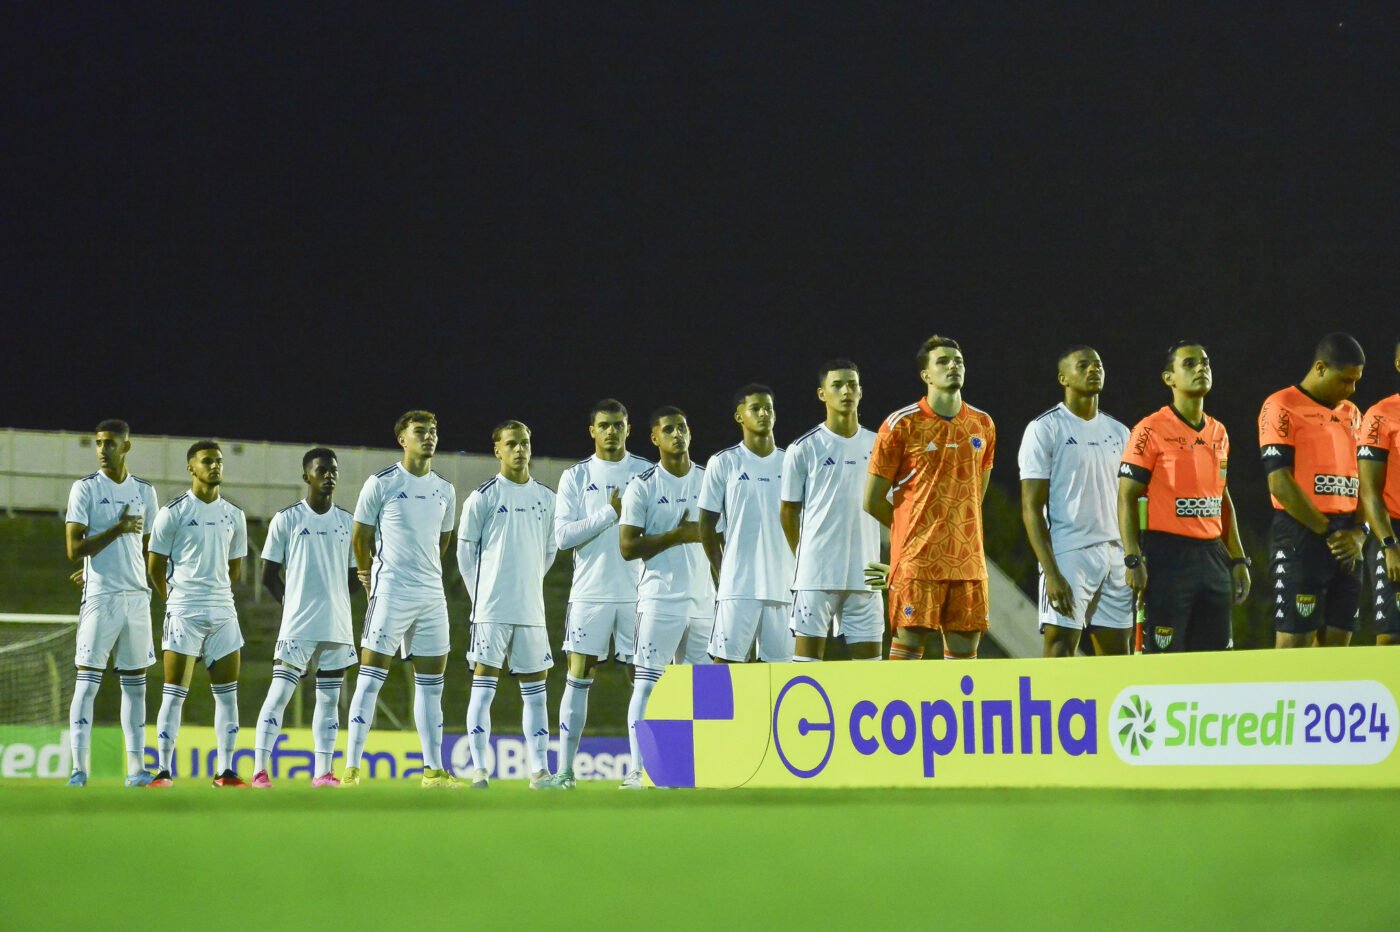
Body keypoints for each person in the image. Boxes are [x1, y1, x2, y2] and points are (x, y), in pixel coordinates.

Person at [343, 411, 458, 788]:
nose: (429, 438)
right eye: (420, 432)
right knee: (370, 678)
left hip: (431, 596)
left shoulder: (445, 489)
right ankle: (351, 767)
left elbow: (442, 541)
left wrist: (424, 571)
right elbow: (360, 536)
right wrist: (366, 575)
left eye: (433, 432)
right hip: (390, 592)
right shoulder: (382, 483)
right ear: (402, 440)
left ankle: (432, 770)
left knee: (431, 685)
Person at [540, 400, 651, 790]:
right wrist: (609, 512)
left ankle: (640, 771)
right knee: (578, 676)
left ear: (628, 428)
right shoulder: (575, 476)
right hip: (590, 594)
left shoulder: (646, 472)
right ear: (592, 430)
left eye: (618, 425)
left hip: (640, 594)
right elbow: (563, 537)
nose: (611, 431)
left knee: (644, 679)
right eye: (604, 425)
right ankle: (566, 772)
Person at [864, 336, 996, 661]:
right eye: (943, 361)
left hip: (968, 563)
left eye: (958, 360)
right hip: (918, 564)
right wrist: (910, 533)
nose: (953, 366)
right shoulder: (900, 425)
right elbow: (872, 499)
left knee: (965, 667)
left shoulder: (983, 425)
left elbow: (975, 496)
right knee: (908, 660)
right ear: (926, 375)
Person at [1118, 342, 1251, 653]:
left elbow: (1222, 496)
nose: (1201, 368)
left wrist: (1239, 558)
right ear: (1169, 378)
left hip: (1213, 558)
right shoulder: (1149, 430)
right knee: (1166, 658)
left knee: (1216, 659)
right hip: (1168, 559)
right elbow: (1126, 496)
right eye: (1189, 364)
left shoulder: (1219, 432)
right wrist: (1133, 557)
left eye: (1205, 362)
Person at [251, 448, 360, 788]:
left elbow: (357, 576)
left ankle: (323, 774)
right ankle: (259, 770)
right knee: (280, 693)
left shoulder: (347, 521)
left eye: (334, 470)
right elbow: (268, 575)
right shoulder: (287, 520)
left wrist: (336, 600)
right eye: (322, 470)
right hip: (298, 626)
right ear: (306, 476)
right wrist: (292, 603)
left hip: (337, 627)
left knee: (329, 700)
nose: (330, 475)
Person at [458, 420, 558, 790]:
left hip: (531, 611)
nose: (520, 450)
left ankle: (539, 772)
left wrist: (527, 585)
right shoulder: (482, 497)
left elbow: (549, 551)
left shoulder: (547, 499)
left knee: (536, 693)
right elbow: (465, 552)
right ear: (497, 450)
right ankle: (481, 770)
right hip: (491, 611)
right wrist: (480, 596)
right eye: (512, 444)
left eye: (525, 443)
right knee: (483, 690)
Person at [618, 407, 713, 788]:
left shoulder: (710, 478)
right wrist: (678, 535)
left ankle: (697, 769)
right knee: (646, 684)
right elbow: (627, 546)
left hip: (705, 600)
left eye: (683, 427)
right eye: (669, 429)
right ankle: (638, 771)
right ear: (654, 439)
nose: (678, 434)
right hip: (660, 600)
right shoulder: (643, 485)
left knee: (705, 691)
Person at [63, 419, 160, 787]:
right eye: (99, 443)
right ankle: (79, 769)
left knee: (136, 687)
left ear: (126, 447)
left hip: (136, 598)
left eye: (110, 443)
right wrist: (116, 531)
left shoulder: (145, 492)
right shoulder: (84, 489)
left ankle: (135, 771)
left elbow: (150, 551)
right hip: (101, 598)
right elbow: (73, 549)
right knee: (87, 684)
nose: (103, 449)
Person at [146, 441, 249, 787]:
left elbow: (235, 568)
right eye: (207, 461)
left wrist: (216, 593)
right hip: (183, 612)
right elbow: (155, 566)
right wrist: (172, 599)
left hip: (223, 612)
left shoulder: (234, 515)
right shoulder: (172, 512)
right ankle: (162, 770)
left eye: (219, 461)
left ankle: (226, 770)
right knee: (174, 693)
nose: (215, 466)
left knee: (228, 694)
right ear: (191, 467)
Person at [1019, 347, 1133, 657]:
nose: (1093, 370)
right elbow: (1031, 507)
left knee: (1116, 657)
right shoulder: (1045, 428)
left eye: (1098, 364)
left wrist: (1134, 557)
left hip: (1115, 555)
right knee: (1059, 649)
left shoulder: (1120, 432)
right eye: (1083, 365)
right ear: (1063, 378)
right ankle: (1053, 706)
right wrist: (1051, 572)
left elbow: (1130, 502)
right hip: (1069, 554)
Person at [1259, 333, 1366, 648]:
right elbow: (1279, 482)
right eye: (1345, 380)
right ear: (1320, 368)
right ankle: (1280, 699)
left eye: (1356, 381)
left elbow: (1365, 481)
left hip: (1348, 538)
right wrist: (1329, 531)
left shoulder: (1352, 413)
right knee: (1295, 646)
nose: (1351, 389)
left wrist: (1358, 532)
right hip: (1302, 534)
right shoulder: (1282, 404)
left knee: (1337, 645)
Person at [780, 361, 884, 662]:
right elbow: (787, 511)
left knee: (870, 673)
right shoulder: (804, 447)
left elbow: (892, 508)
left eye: (852, 384)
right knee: (806, 672)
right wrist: (806, 558)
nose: (846, 391)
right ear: (822, 394)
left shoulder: (878, 445)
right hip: (816, 575)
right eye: (837, 385)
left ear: (861, 392)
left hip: (866, 574)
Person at [699, 384, 795, 663]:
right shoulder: (724, 462)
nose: (764, 413)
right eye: (756, 408)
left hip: (784, 585)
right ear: (739, 416)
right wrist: (721, 571)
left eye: (769, 408)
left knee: (782, 675)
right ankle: (708, 710)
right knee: (722, 666)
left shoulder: (791, 461)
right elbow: (706, 525)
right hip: (738, 585)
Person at [1359, 338, 1400, 645]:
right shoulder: (1381, 414)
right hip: (1394, 533)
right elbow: (1369, 490)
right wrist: (1389, 545)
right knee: (1391, 636)